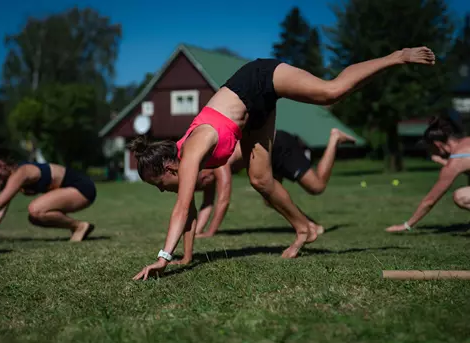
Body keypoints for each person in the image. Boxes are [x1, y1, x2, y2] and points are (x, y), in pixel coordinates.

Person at [132, 46, 435, 280]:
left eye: (159, 185)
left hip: (258, 79)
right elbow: (191, 211)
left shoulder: (191, 152)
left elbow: (182, 209)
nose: (162, 191)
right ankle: (304, 229)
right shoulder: (186, 160)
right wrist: (184, 258)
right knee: (261, 180)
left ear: (169, 168)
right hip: (252, 118)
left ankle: (396, 57)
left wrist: (162, 258)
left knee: (331, 92)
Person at [193, 128, 355, 244]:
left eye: (204, 184)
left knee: (317, 186)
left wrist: (210, 232)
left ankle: (334, 138)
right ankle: (310, 225)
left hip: (278, 146)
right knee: (270, 200)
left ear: (203, 175)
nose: (208, 187)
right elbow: (207, 203)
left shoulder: (218, 163)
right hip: (266, 157)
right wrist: (197, 232)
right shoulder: (206, 171)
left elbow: (223, 199)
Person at [0, 147, 96, 242]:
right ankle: (78, 227)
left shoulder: (22, 172)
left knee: (35, 210)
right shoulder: (9, 180)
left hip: (83, 189)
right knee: (35, 218)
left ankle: (79, 226)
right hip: (71, 191)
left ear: (0, 164)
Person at [386, 115, 470, 233]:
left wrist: (406, 225)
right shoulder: (466, 143)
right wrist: (444, 162)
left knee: (460, 196)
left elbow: (430, 200)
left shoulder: (456, 161)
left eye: (429, 148)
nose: (430, 152)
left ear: (436, 144)